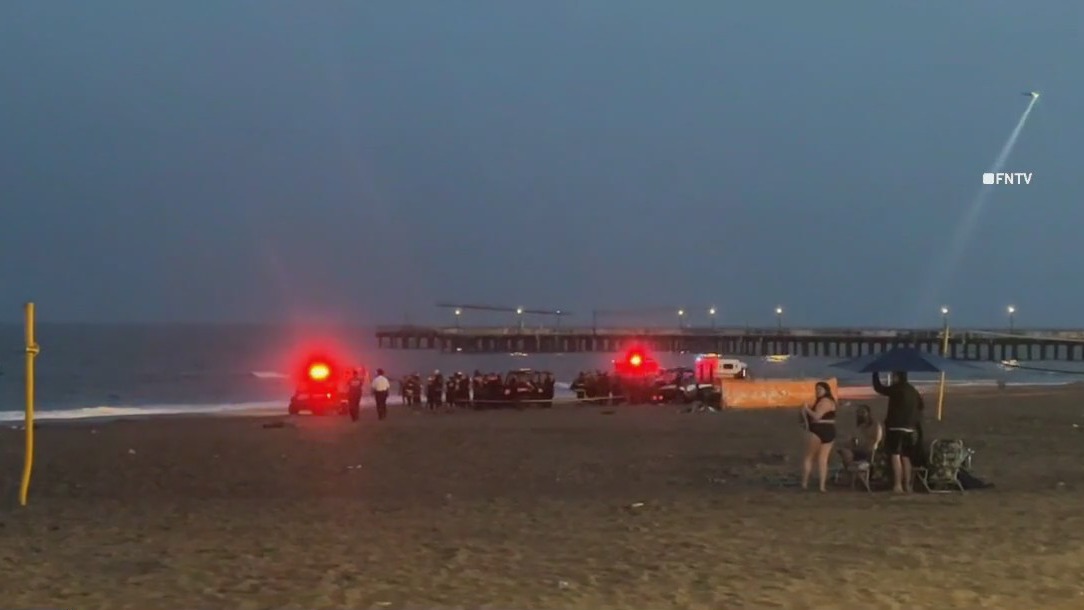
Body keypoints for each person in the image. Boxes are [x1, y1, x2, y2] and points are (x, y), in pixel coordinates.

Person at [872, 371, 924, 493]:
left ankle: (897, 485)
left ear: (897, 377)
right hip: (910, 428)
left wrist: (875, 373)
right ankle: (908, 485)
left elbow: (879, 388)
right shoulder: (912, 390)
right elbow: (921, 405)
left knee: (895, 455)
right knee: (906, 457)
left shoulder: (897, 388)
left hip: (896, 427)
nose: (893, 378)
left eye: (894, 376)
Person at [800, 381, 837, 492]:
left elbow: (817, 417)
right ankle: (822, 486)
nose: (817, 392)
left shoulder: (824, 402)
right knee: (822, 460)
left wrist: (806, 409)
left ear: (826, 390)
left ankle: (805, 483)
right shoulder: (829, 402)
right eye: (817, 389)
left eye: (820, 389)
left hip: (819, 429)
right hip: (829, 430)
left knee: (810, 457)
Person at [838, 404, 883, 468]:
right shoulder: (859, 427)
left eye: (863, 412)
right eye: (858, 412)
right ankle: (850, 471)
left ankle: (853, 471)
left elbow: (876, 440)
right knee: (845, 452)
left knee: (848, 454)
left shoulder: (875, 425)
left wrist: (869, 447)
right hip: (859, 450)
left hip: (870, 452)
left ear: (868, 413)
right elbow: (854, 440)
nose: (860, 414)